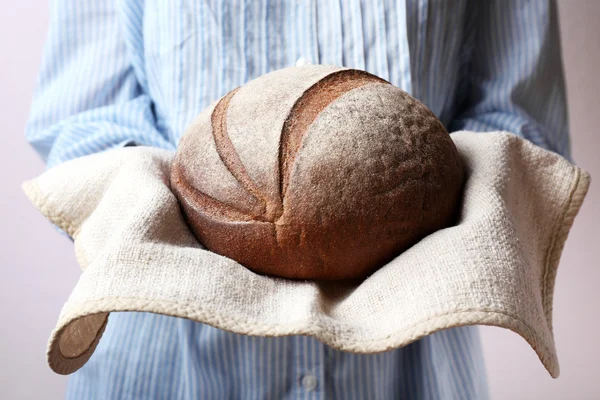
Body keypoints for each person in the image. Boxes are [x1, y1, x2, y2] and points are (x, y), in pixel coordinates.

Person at [26, 0, 569, 398]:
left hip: (410, 369)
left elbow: (521, 128)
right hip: (167, 367)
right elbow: (80, 125)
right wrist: (163, 212)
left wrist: (440, 216)